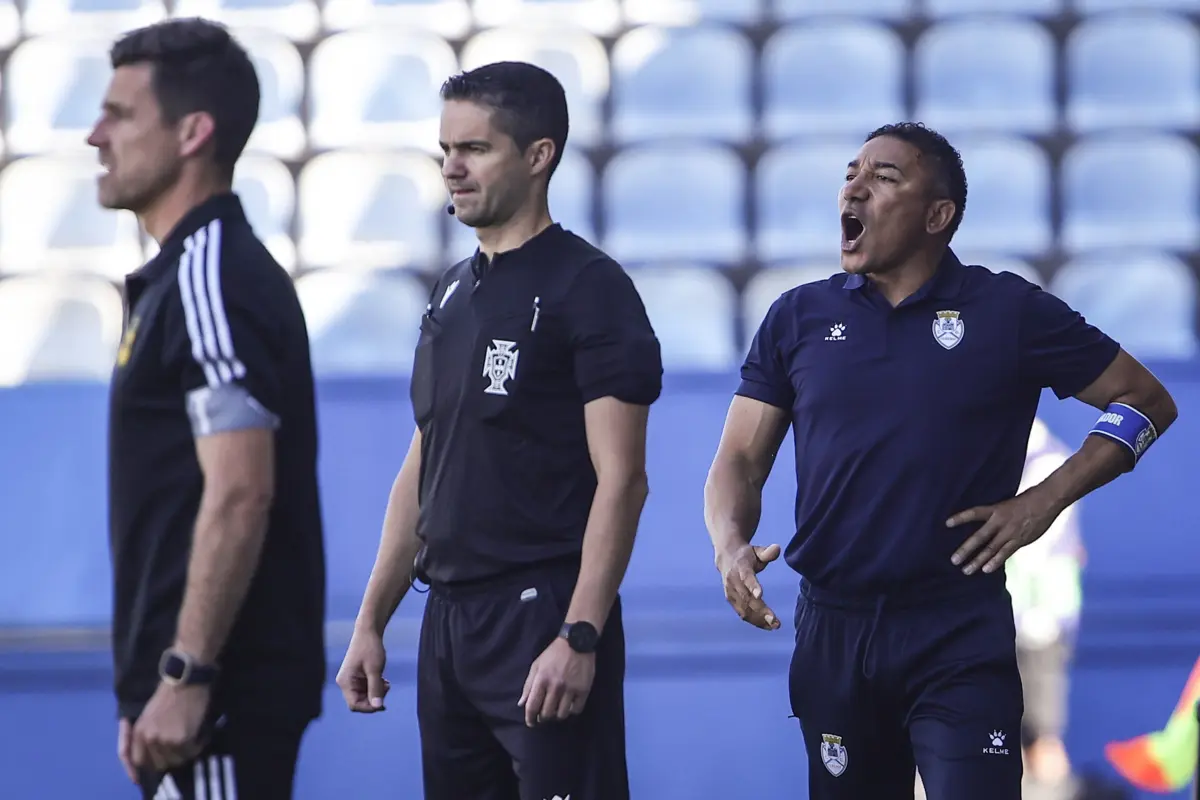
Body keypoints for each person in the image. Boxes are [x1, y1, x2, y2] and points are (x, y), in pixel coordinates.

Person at [703, 121, 1177, 800]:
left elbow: (1148, 402)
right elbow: (740, 462)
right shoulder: (797, 317)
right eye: (851, 173)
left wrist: (1045, 499)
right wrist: (728, 547)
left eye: (884, 176)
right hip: (833, 629)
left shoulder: (1009, 311)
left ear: (938, 215)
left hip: (957, 627)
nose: (855, 186)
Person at [335, 61, 662, 800]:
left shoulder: (591, 288)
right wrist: (371, 621)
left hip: (539, 617)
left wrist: (580, 635)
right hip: (447, 623)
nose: (451, 167)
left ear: (538, 154)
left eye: (474, 149)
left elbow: (624, 480)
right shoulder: (452, 290)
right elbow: (425, 462)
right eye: (445, 149)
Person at [97, 18, 326, 800]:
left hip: (215, 700)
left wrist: (186, 673)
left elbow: (240, 490)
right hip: (183, 702)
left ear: (194, 132)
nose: (95, 136)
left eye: (120, 116)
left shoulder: (211, 278)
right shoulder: (182, 279)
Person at [1008, 417, 1086, 791]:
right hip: (1017, 620)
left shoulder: (1045, 465)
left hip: (1040, 625)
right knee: (1011, 735)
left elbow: (1035, 547)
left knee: (1043, 739)